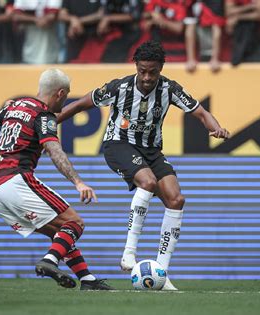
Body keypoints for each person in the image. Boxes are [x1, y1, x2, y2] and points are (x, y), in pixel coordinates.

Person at [57, 41, 230, 290]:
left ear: (160, 69)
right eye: (143, 71)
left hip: (151, 151)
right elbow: (80, 105)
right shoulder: (119, 87)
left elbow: (201, 112)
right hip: (118, 145)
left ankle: (162, 272)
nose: (147, 77)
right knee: (147, 182)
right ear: (136, 67)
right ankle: (129, 253)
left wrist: (216, 128)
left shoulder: (170, 89)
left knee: (176, 199)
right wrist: (49, 124)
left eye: (153, 72)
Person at [0, 69, 113, 291]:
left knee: (60, 233)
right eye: (66, 95)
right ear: (60, 93)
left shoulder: (17, 105)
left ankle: (87, 279)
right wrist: (78, 182)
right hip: (15, 179)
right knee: (75, 223)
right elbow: (54, 151)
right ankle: (49, 261)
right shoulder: (44, 116)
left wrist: (5, 107)